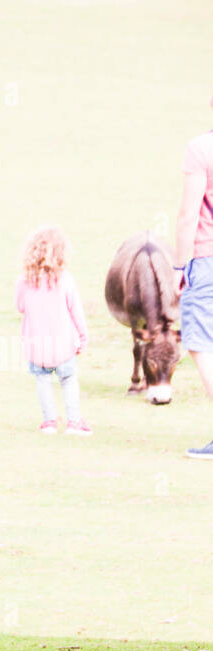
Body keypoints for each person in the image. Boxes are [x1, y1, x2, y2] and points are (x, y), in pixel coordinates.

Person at [16, 227, 91, 436]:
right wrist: (83, 336)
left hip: (36, 346)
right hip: (63, 345)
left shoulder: (23, 281)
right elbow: (76, 311)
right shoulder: (65, 280)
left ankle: (49, 422)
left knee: (43, 381)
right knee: (68, 381)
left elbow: (20, 307)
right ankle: (74, 423)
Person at [176, 101, 213, 457]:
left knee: (200, 342)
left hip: (207, 259)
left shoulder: (201, 149)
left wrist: (178, 267)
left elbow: (189, 215)